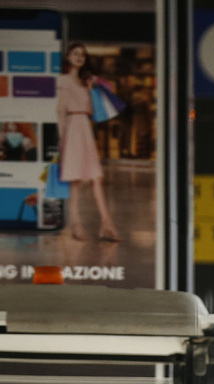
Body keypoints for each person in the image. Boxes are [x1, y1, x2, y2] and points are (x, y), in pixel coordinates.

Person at [56, 43, 119, 242]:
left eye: (82, 54)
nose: (79, 57)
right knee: (76, 180)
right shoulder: (63, 80)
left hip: (85, 127)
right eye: (75, 54)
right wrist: (61, 139)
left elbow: (93, 112)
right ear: (68, 57)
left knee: (96, 177)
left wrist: (92, 90)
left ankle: (106, 223)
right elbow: (60, 111)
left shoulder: (86, 82)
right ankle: (76, 222)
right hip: (72, 128)